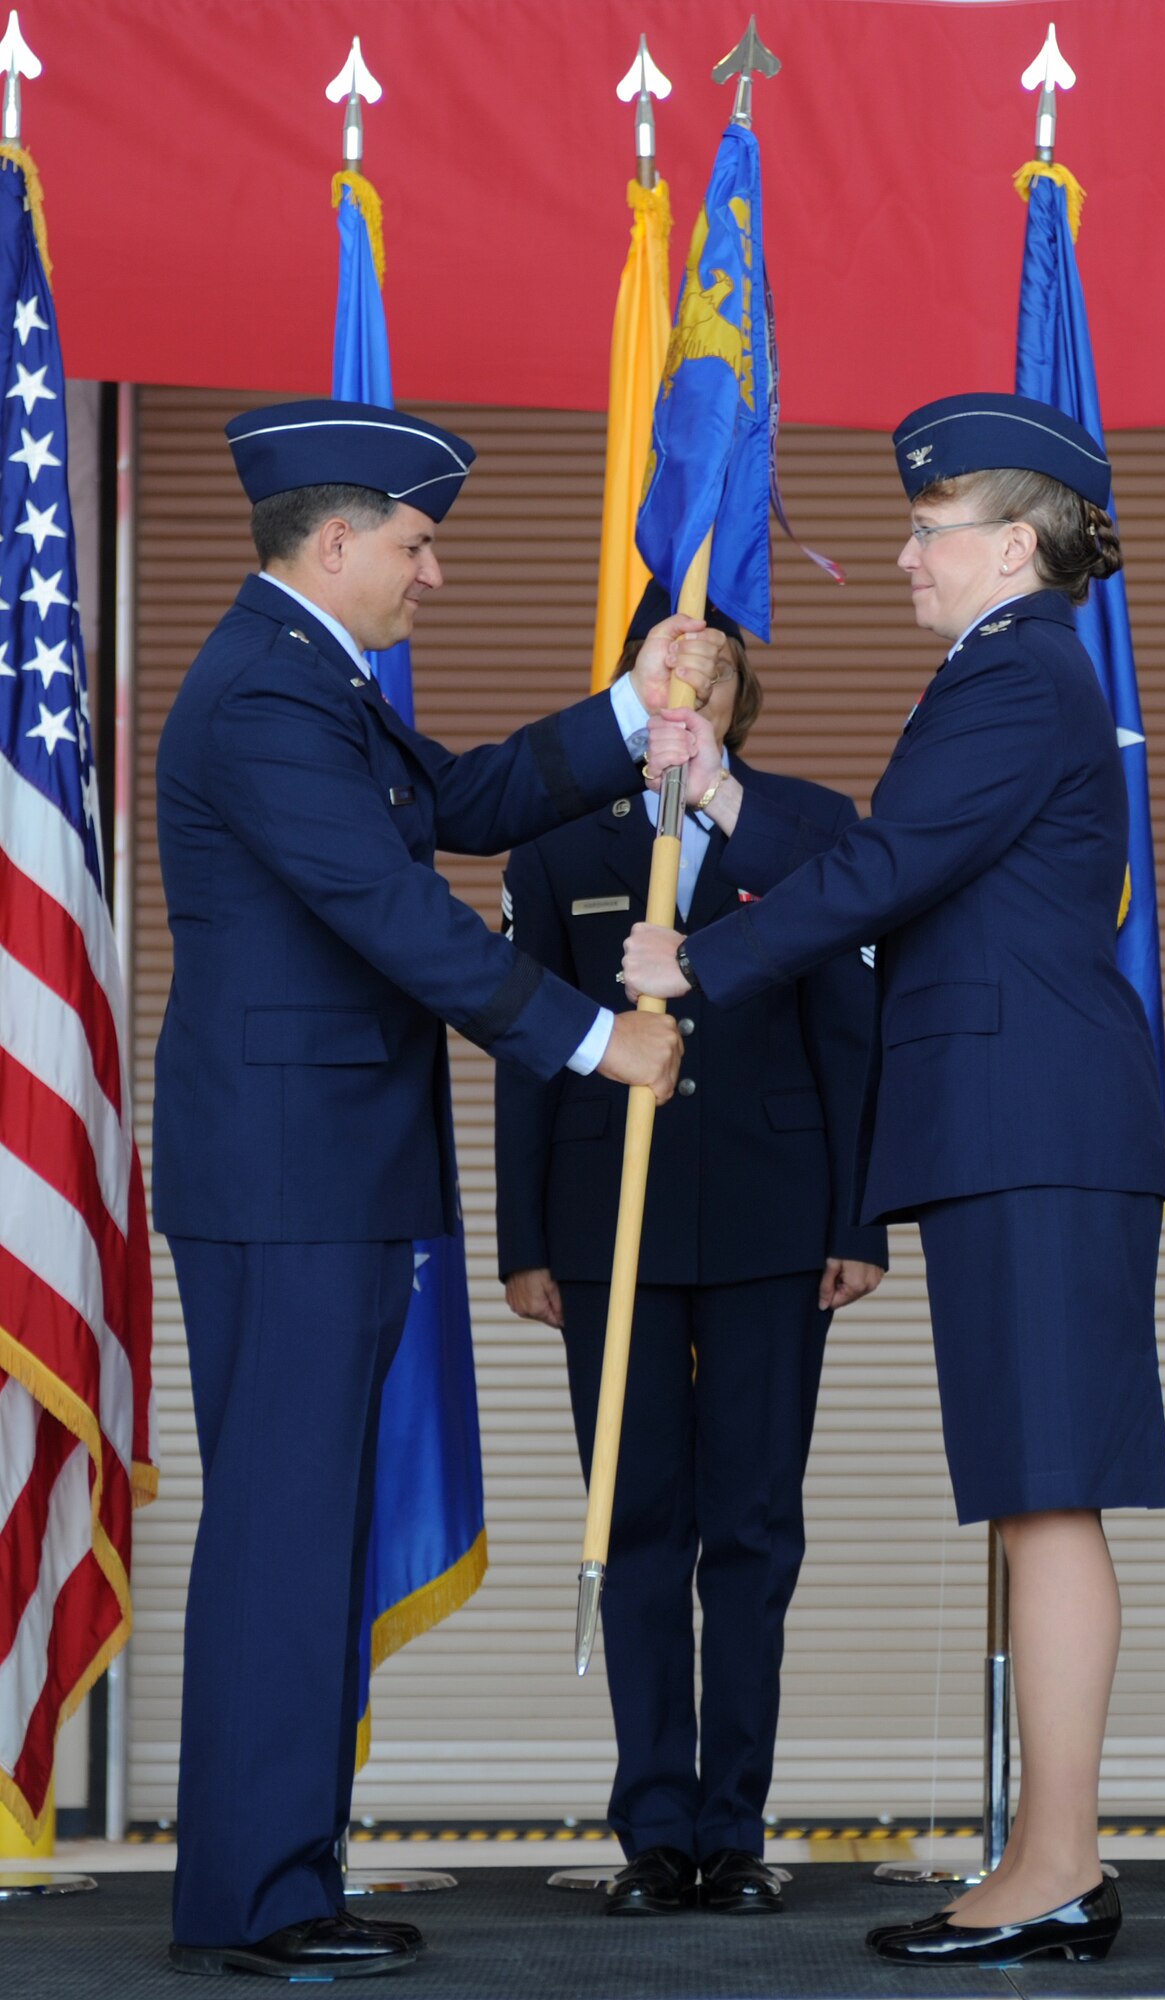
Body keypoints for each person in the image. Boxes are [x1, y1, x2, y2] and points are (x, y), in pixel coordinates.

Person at [154, 399, 706, 1980]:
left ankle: (282, 1876)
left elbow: (452, 804)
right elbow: (392, 913)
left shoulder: (310, 675)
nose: (433, 574)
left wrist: (628, 711)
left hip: (325, 1162)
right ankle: (255, 1896)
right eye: (418, 543)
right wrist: (599, 1040)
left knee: (310, 1523)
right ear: (338, 543)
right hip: (288, 1170)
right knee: (282, 1524)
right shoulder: (269, 691)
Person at [621, 392, 1165, 1969]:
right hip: (1023, 1128)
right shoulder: (1006, 674)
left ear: (1010, 542)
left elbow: (880, 872)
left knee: (1044, 1493)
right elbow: (908, 852)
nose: (903, 555)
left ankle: (1057, 1864)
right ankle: (1048, 1853)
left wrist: (696, 959)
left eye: (926, 530)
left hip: (1036, 1130)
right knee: (1031, 1492)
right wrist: (722, 796)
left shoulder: (1014, 675)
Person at [495, 582, 886, 1916]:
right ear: (632, 688)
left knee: (755, 1529)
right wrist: (525, 1237)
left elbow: (851, 1032)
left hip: (779, 1219)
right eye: (671, 671)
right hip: (611, 1226)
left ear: (738, 699)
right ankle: (654, 1830)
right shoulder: (556, 849)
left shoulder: (809, 828)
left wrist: (856, 1220)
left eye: (714, 674)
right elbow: (527, 1054)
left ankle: (735, 1828)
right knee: (638, 1521)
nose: (693, 694)